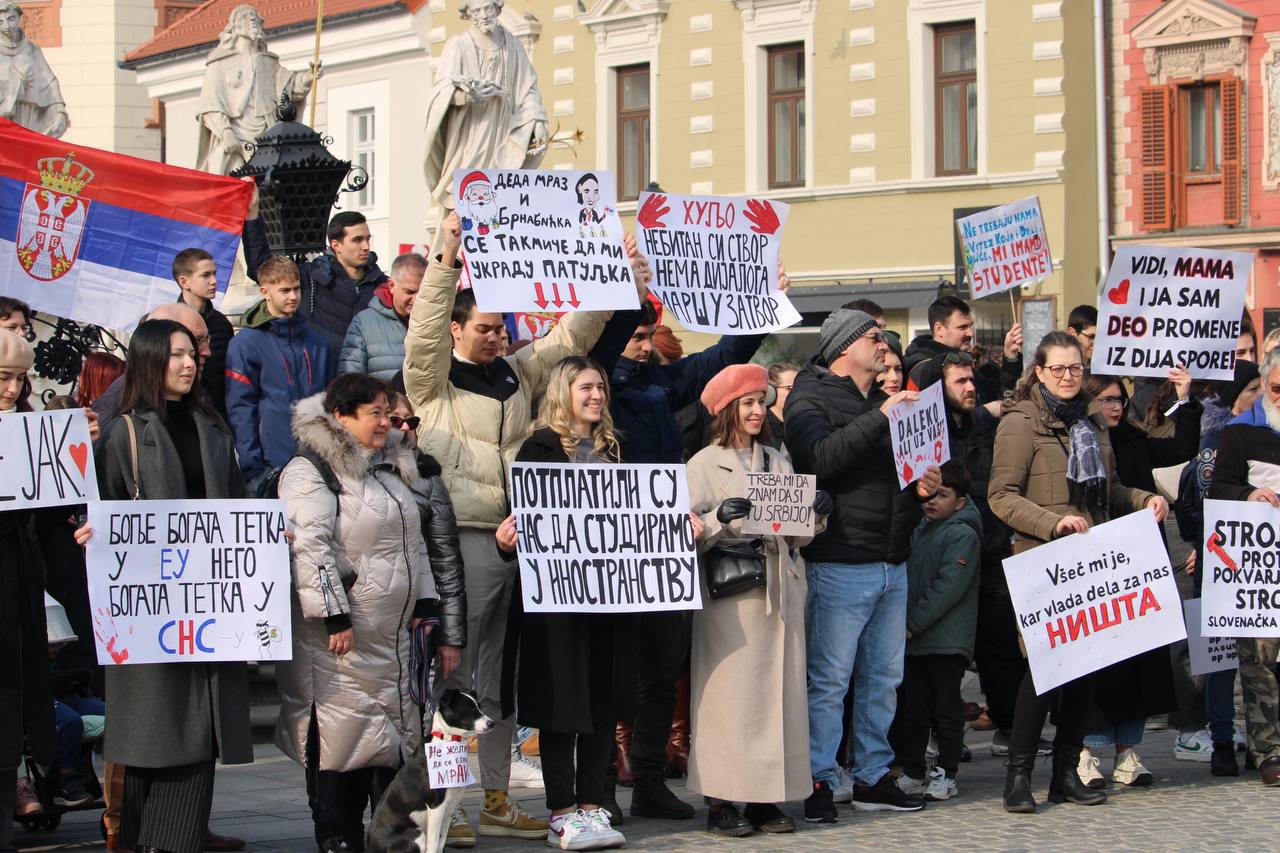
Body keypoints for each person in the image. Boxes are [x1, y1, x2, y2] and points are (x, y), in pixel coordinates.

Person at [401, 212, 633, 840]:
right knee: (454, 677)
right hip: (463, 539)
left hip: (522, 544)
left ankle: (497, 798)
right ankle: (440, 802)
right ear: (457, 329)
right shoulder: (431, 383)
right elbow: (422, 336)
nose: (496, 338)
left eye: (502, 329)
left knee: (500, 678)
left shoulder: (519, 377)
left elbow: (569, 337)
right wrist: (446, 255)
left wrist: (613, 275)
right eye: (483, 329)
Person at [589, 283, 775, 821]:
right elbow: (603, 349)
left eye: (650, 336)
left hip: (667, 546)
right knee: (616, 670)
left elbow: (724, 359)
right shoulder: (600, 383)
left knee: (662, 669)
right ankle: (602, 787)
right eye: (636, 336)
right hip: (615, 547)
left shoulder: (661, 383)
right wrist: (627, 293)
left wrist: (756, 303)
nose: (644, 346)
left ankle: (648, 781)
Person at [91, 319, 253, 853]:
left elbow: (234, 507)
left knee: (198, 732)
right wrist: (92, 531)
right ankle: (147, 838)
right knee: (154, 733)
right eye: (176, 355)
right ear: (149, 361)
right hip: (147, 618)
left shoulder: (212, 426)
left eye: (193, 355)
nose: (189, 364)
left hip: (208, 612)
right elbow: (101, 512)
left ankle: (174, 839)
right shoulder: (124, 434)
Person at [988, 331, 1163, 813]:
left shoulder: (1092, 419)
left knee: (1085, 667)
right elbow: (1001, 495)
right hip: (1043, 559)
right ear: (1039, 372)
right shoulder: (1021, 421)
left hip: (1091, 557)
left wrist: (1143, 500)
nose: (1068, 377)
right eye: (1058, 369)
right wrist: (1052, 522)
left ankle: (1066, 771)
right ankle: (1018, 777)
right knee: (1040, 671)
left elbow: (1110, 487)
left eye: (1076, 368)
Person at [275, 374, 441, 852]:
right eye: (376, 413)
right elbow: (310, 545)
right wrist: (334, 615)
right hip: (340, 643)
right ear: (341, 416)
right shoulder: (310, 470)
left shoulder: (388, 466)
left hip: (391, 639)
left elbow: (414, 544)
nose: (387, 422)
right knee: (339, 747)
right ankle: (335, 836)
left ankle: (385, 839)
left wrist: (426, 602)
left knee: (386, 747)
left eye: (389, 413)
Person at [784, 308, 938, 820]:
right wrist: (881, 417)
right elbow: (818, 461)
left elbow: (896, 476)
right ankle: (819, 778)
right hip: (840, 561)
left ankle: (873, 774)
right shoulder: (811, 396)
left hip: (893, 560)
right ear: (845, 346)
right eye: (874, 337)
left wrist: (923, 487)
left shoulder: (880, 399)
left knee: (883, 676)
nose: (883, 345)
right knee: (829, 680)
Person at [497, 356, 636, 851]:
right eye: (585, 387)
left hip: (608, 599)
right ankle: (561, 810)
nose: (597, 395)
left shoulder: (616, 450)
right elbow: (520, 522)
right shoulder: (536, 450)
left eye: (600, 387)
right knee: (560, 704)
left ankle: (593, 805)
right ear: (563, 393)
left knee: (601, 702)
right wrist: (505, 540)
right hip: (554, 605)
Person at [685, 363, 829, 837]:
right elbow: (680, 533)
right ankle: (721, 799)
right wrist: (718, 521)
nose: (756, 410)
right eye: (747, 402)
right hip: (733, 598)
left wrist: (816, 516)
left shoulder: (777, 459)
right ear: (726, 409)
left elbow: (797, 536)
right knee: (730, 701)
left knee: (778, 700)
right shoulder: (703, 464)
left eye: (761, 401)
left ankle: (768, 798)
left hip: (781, 591)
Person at [1076, 370, 1198, 787]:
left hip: (1140, 560)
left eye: (1119, 401)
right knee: (1098, 662)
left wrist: (1186, 399)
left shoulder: (1132, 439)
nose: (1113, 408)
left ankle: (1129, 751)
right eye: (1106, 400)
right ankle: (1087, 752)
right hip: (1094, 563)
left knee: (1141, 659)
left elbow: (1182, 446)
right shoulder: (1076, 441)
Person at [1172, 360, 1261, 773]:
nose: (1260, 396)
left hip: (1260, 560)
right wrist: (1200, 543)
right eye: (1253, 388)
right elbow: (1198, 499)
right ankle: (1222, 739)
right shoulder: (1216, 436)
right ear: (1235, 394)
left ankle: (1261, 738)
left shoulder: (1267, 429)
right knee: (1221, 654)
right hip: (1220, 558)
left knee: (1262, 654)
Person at [1206, 345, 1280, 786]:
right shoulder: (1239, 432)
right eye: (1277, 388)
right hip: (1260, 568)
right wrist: (1248, 496)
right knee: (1260, 660)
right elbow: (1218, 490)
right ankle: (1268, 749)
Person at [890, 460, 980, 802]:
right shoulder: (920, 529)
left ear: (959, 502)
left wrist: (912, 624)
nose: (932, 501)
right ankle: (913, 770)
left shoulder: (962, 534)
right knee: (914, 710)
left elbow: (948, 587)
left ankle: (946, 771)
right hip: (916, 642)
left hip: (945, 641)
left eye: (943, 495)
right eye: (930, 494)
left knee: (946, 711)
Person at [0, 330, 56, 850]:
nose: (13, 390)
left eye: (20, 379)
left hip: (15, 591)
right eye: (3, 378)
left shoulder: (25, 433)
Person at [422, 0, 548, 225]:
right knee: (467, 194)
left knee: (502, 193)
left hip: (504, 130)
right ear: (468, 14)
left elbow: (528, 89)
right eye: (477, 10)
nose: (483, 15)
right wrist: (466, 96)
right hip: (470, 134)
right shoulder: (458, 45)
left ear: (498, 8)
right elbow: (440, 91)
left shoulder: (513, 46)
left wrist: (537, 121)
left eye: (488, 8)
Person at [225, 255, 333, 486]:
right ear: (265, 292)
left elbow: (329, 400)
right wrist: (251, 463)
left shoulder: (317, 341)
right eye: (284, 290)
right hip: (270, 460)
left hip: (318, 458)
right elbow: (241, 407)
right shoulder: (246, 343)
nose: (293, 296)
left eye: (296, 289)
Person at [245, 211, 390, 365]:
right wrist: (252, 216)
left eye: (367, 239)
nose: (366, 246)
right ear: (336, 245)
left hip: (369, 381)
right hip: (322, 378)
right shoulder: (310, 277)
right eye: (357, 240)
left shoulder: (383, 284)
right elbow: (263, 269)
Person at [195, 3, 316, 174]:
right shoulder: (219, 63)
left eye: (256, 18)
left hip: (266, 138)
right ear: (235, 27)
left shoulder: (268, 63)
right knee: (236, 187)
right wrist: (226, 132)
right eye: (246, 16)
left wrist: (309, 77)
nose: (253, 19)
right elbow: (210, 106)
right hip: (233, 139)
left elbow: (289, 86)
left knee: (266, 192)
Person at [93, 303, 212, 428]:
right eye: (198, 340)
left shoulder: (200, 398)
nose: (207, 352)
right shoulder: (116, 408)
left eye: (207, 339)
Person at [904, 296, 1022, 403]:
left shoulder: (963, 360)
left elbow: (997, 397)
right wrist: (986, 412)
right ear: (939, 329)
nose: (970, 333)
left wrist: (1010, 357)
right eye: (962, 327)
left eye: (970, 326)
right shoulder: (925, 370)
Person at [339, 254, 427, 380]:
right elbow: (350, 384)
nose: (417, 299)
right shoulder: (363, 324)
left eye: (423, 292)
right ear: (391, 285)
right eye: (409, 292)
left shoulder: (439, 322)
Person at [173, 247, 235, 418]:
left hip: (221, 416)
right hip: (185, 417)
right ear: (184, 281)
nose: (214, 281)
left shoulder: (221, 323)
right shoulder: (170, 323)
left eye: (214, 274)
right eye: (205, 275)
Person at [0, 0, 68, 137]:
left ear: (19, 17)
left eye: (11, 19)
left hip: (28, 118)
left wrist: (59, 110)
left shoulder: (31, 49)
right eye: (0, 22)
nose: (7, 26)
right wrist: (15, 86)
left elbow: (49, 83)